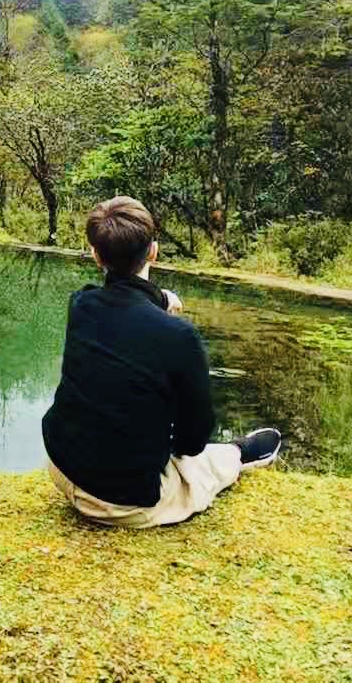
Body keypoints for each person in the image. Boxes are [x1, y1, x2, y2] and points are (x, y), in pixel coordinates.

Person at [41, 196, 281, 528]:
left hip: (61, 467)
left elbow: (121, 301)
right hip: (121, 501)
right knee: (202, 464)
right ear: (153, 251)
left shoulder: (80, 304)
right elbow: (193, 440)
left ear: (96, 255)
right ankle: (240, 453)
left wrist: (162, 299)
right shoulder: (180, 336)